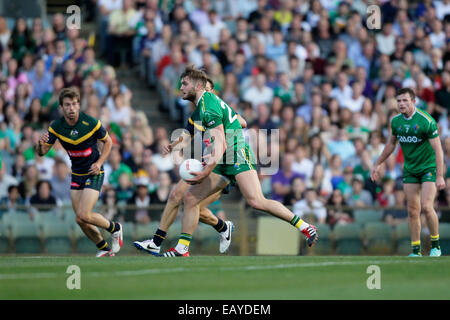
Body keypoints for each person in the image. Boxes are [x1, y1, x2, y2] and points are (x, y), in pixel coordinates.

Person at [161, 65, 317, 257]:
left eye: (184, 83)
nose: (181, 87)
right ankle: (182, 248)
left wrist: (206, 170)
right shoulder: (202, 108)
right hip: (221, 159)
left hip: (236, 154)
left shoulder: (208, 106)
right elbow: (240, 122)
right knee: (191, 198)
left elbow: (221, 143)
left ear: (199, 85)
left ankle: (305, 226)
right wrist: (174, 146)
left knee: (256, 201)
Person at [133, 77, 245, 255]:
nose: (205, 93)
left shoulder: (220, 109)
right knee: (176, 194)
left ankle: (218, 230)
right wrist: (173, 146)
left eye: (208, 89)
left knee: (193, 205)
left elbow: (243, 122)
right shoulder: (198, 114)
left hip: (224, 166)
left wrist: (224, 132)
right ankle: (156, 242)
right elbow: (186, 136)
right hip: (205, 162)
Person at [36, 88, 122, 257]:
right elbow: (41, 152)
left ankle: (115, 228)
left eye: (74, 104)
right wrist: (40, 144)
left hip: (94, 171)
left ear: (79, 105)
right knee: (80, 219)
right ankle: (104, 248)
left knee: (84, 213)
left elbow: (109, 142)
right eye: (67, 105)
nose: (72, 108)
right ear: (61, 107)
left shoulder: (90, 122)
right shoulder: (57, 126)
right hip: (77, 174)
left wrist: (99, 162)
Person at [371, 88, 446, 257]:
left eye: (405, 100)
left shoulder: (426, 121)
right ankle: (415, 250)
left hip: (428, 168)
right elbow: (391, 144)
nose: (401, 104)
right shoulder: (396, 122)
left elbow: (438, 150)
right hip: (410, 170)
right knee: (412, 210)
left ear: (413, 102)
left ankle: (435, 246)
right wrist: (378, 163)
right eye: (399, 101)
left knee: (427, 207)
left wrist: (440, 175)